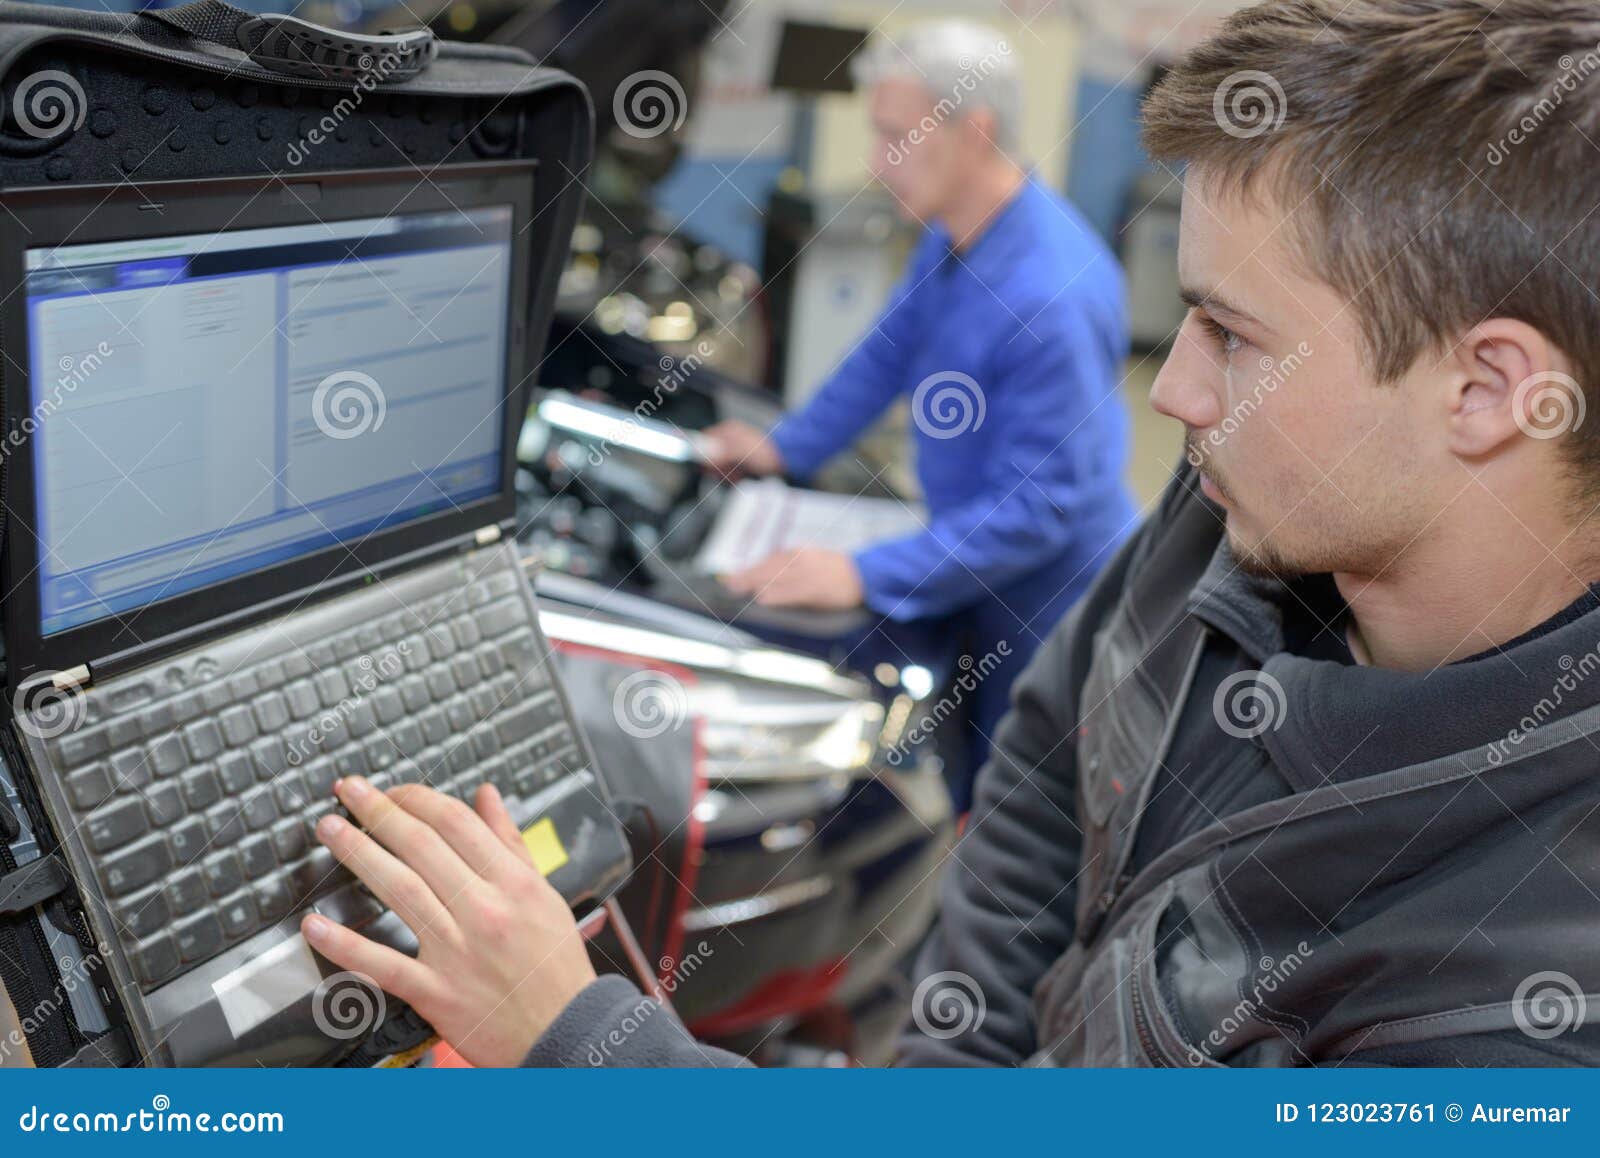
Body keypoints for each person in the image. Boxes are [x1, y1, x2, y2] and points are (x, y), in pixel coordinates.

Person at [306, 0, 1600, 1066]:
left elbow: (1035, 516)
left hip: (1020, 574)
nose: (1175, 393)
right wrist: (954, 1058)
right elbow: (1048, 758)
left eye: (1232, 333)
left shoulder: (1511, 1015)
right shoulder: (1230, 503)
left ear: (1487, 391)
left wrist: (580, 1039)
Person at [702, 22, 1136, 808]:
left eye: (897, 136)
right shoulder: (951, 236)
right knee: (963, 768)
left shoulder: (1053, 296)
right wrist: (785, 447)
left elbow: (1036, 510)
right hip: (973, 549)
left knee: (1017, 807)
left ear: (976, 132)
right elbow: (886, 353)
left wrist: (858, 571)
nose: (877, 163)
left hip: (1046, 600)